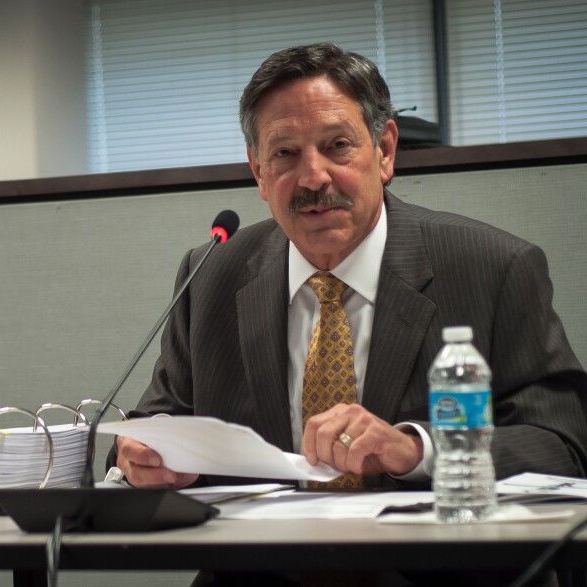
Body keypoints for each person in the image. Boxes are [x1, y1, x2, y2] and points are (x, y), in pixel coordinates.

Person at [110, 42, 587, 585]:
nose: (313, 177)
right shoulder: (212, 274)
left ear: (384, 151)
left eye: (337, 146)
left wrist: (415, 448)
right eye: (285, 154)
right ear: (258, 171)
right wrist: (147, 454)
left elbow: (563, 446)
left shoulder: (493, 267)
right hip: (257, 576)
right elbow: (157, 422)